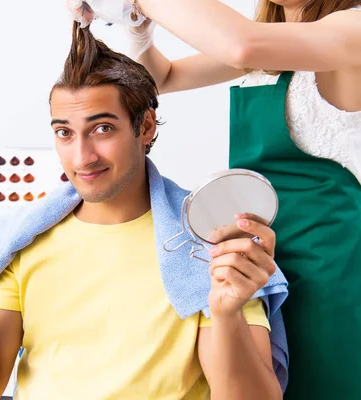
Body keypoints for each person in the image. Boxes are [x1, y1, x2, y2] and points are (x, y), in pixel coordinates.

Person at [0, 21, 286, 399]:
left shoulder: (206, 245)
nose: (82, 157)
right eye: (65, 133)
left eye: (102, 129)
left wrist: (226, 314)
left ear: (146, 127)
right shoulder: (21, 243)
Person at [96, 0, 361, 398]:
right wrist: (137, 29)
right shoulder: (268, 52)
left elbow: (242, 44)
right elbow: (160, 78)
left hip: (336, 275)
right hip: (260, 268)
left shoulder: (351, 29)